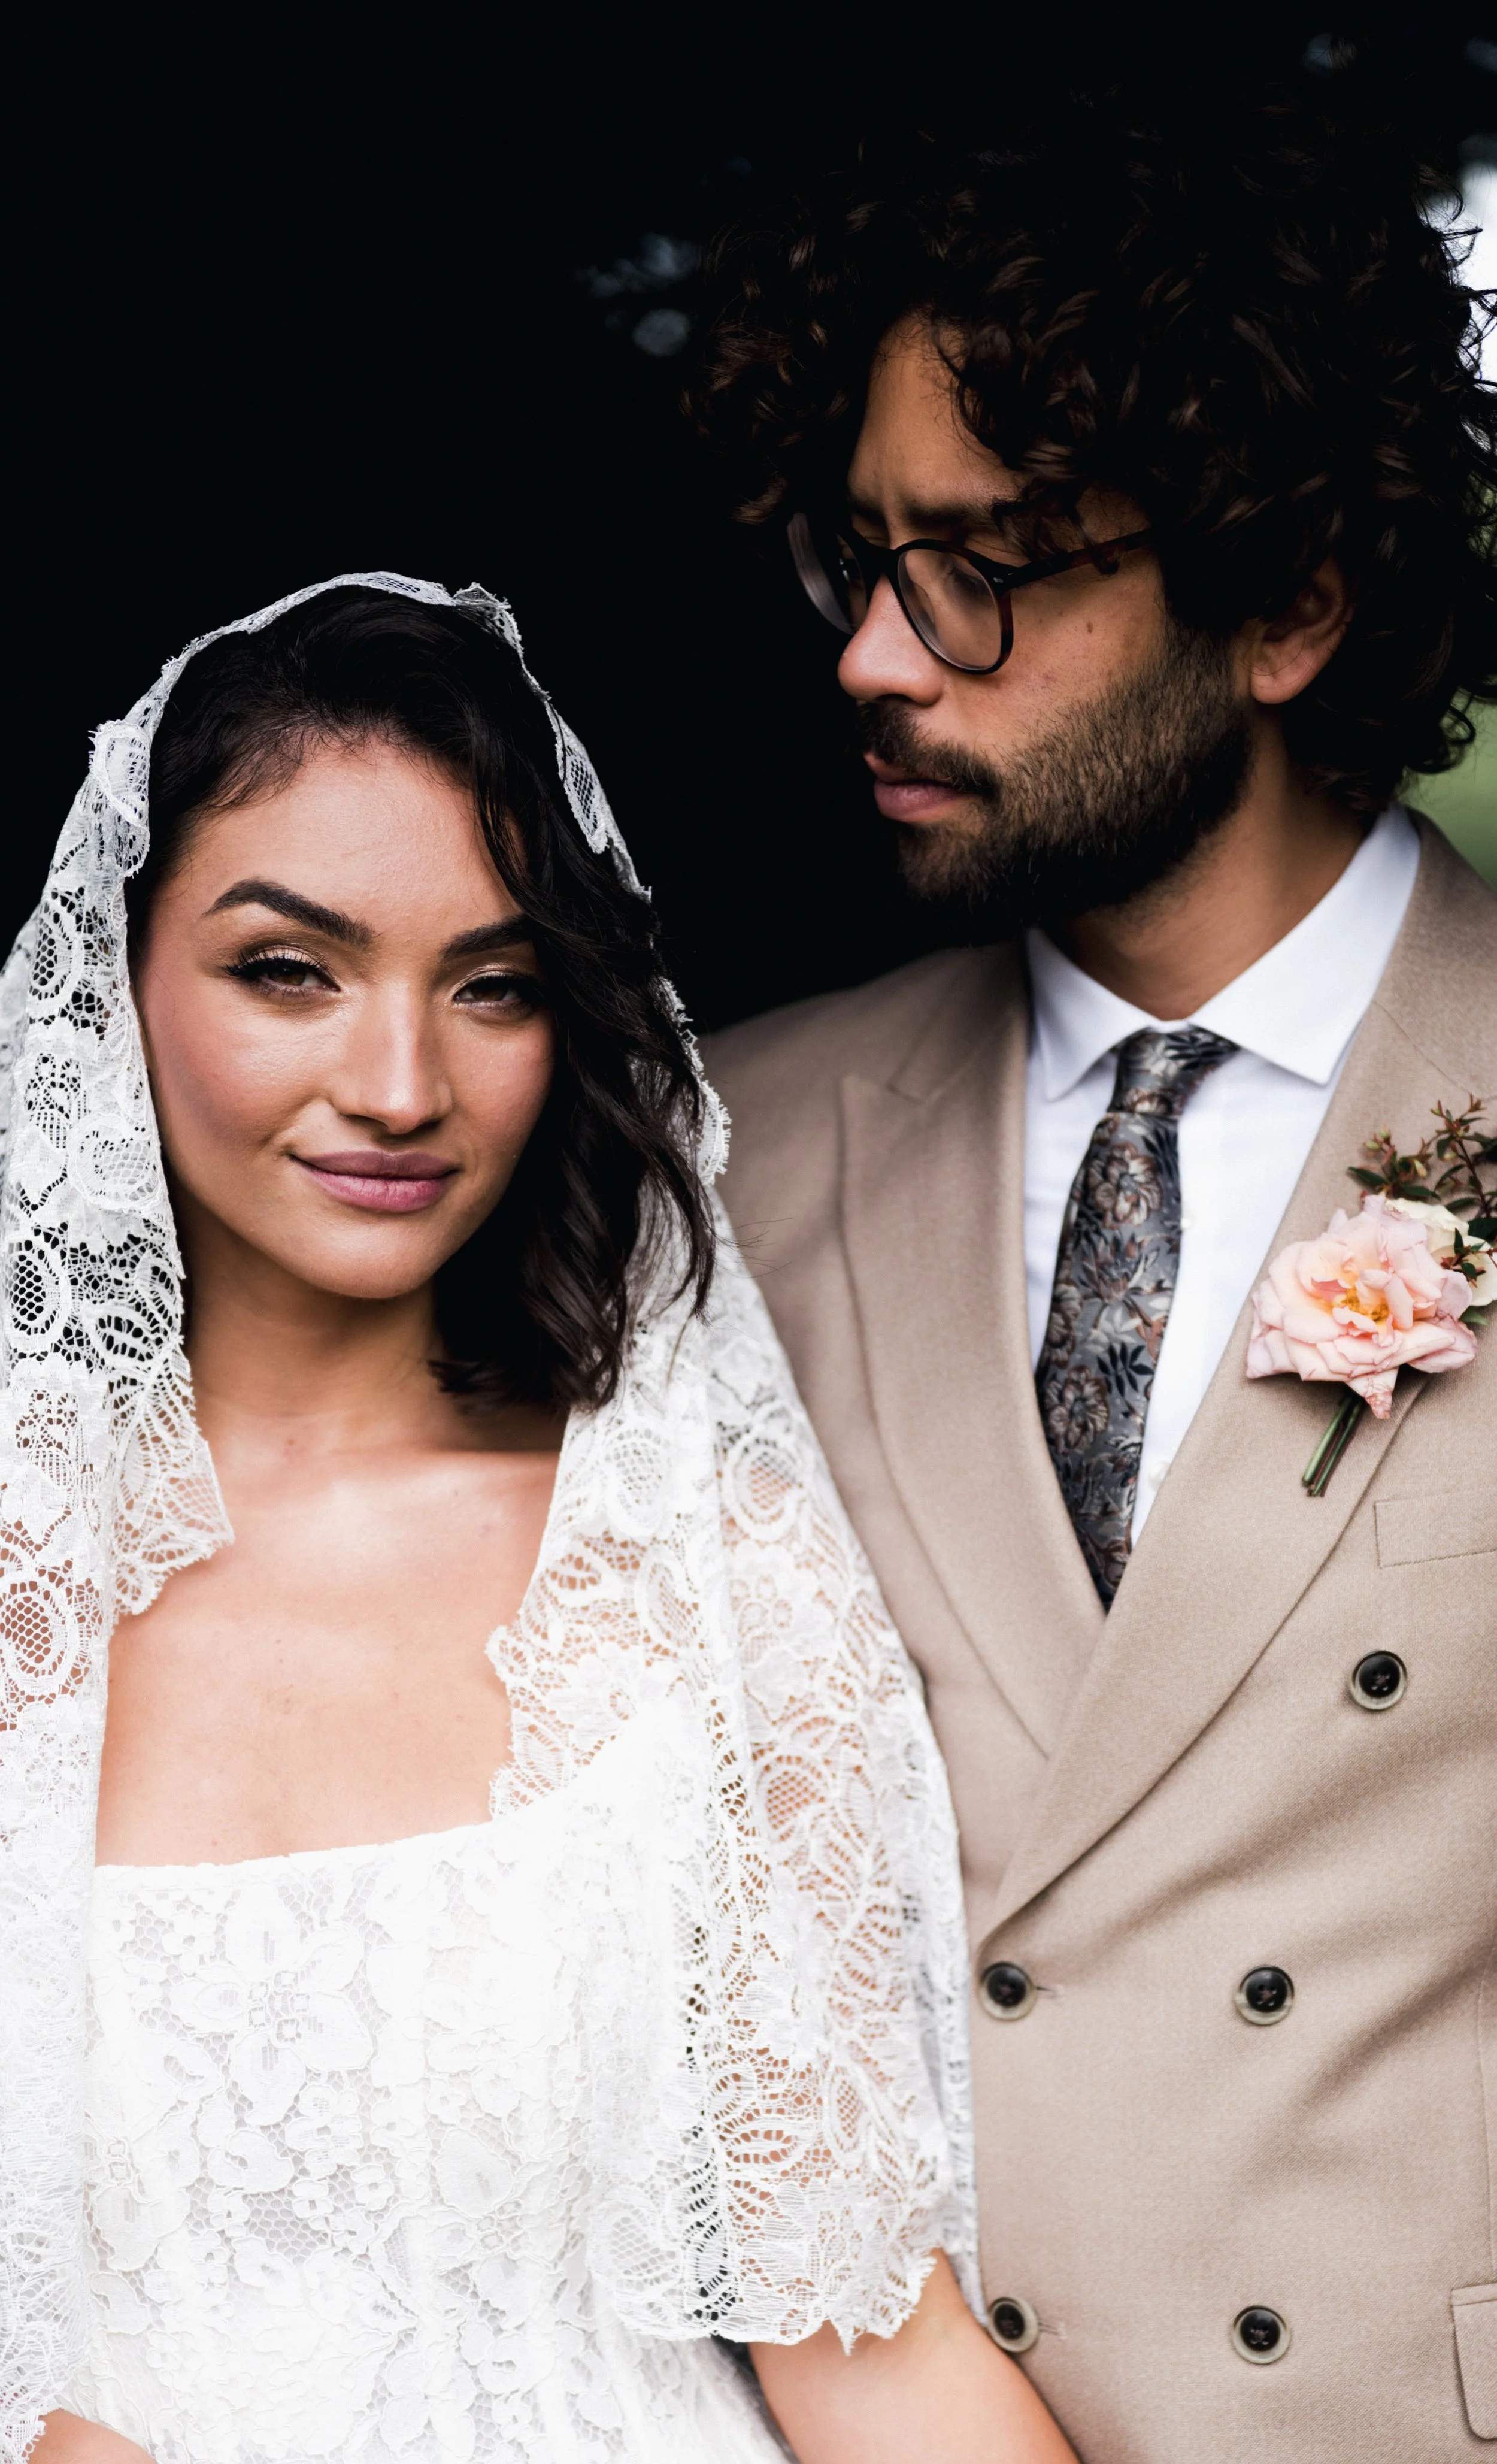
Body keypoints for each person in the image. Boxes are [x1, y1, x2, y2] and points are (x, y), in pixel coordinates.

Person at [0, 576, 1078, 2464]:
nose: (401, 1086)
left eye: (491, 984)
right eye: (287, 970)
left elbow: (874, 2348)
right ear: (114, 981)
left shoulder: (695, 1570)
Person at [696, 91, 1497, 2461]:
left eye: (987, 568)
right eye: (864, 556)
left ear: (1285, 603)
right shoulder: (718, 1157)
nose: (872, 653)